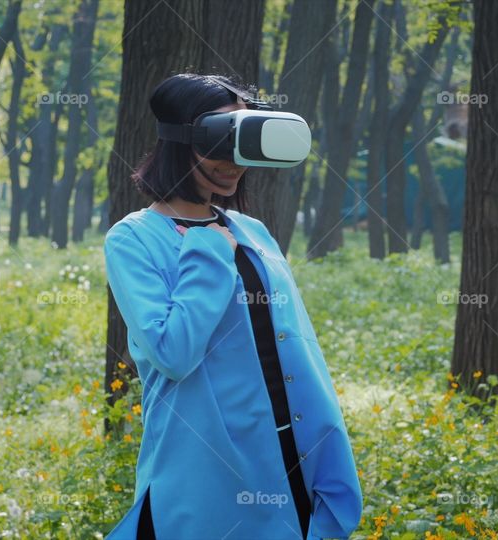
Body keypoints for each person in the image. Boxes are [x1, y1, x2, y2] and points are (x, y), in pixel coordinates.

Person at [103, 73, 362, 540]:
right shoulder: (133, 238)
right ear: (180, 139)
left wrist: (327, 445)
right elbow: (173, 353)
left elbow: (298, 348)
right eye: (221, 139)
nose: (232, 161)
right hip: (210, 464)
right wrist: (206, 252)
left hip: (291, 456)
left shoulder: (252, 231)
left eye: (243, 140)